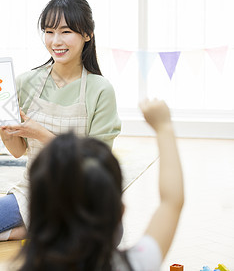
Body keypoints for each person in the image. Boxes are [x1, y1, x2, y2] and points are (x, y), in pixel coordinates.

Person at [0, 0, 121, 246]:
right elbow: (17, 151)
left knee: (112, 235)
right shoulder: (26, 82)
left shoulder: (101, 90)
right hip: (36, 192)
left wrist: (40, 134)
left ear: (87, 34)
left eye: (66, 31)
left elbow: (98, 165)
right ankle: (50, 228)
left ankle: (35, 229)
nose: (56, 41)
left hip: (84, 194)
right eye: (49, 32)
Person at [17, 99, 184, 270]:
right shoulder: (135, 264)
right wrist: (164, 127)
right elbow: (171, 202)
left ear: (32, 213)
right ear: (120, 212)